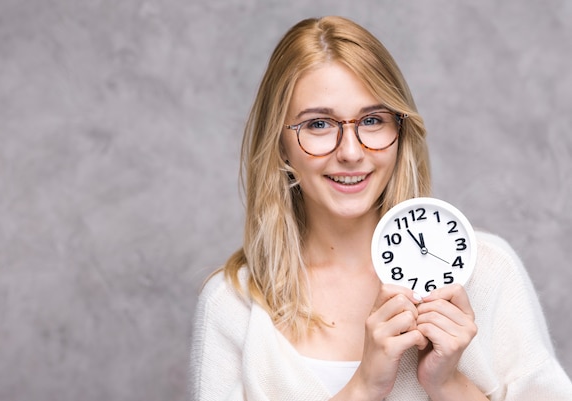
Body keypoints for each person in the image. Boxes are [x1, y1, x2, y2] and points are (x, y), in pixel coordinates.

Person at [189, 15, 572, 401]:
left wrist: (448, 383)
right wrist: (365, 386)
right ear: (279, 145)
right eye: (319, 124)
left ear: (400, 131)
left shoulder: (486, 271)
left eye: (372, 120)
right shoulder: (234, 305)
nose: (351, 152)